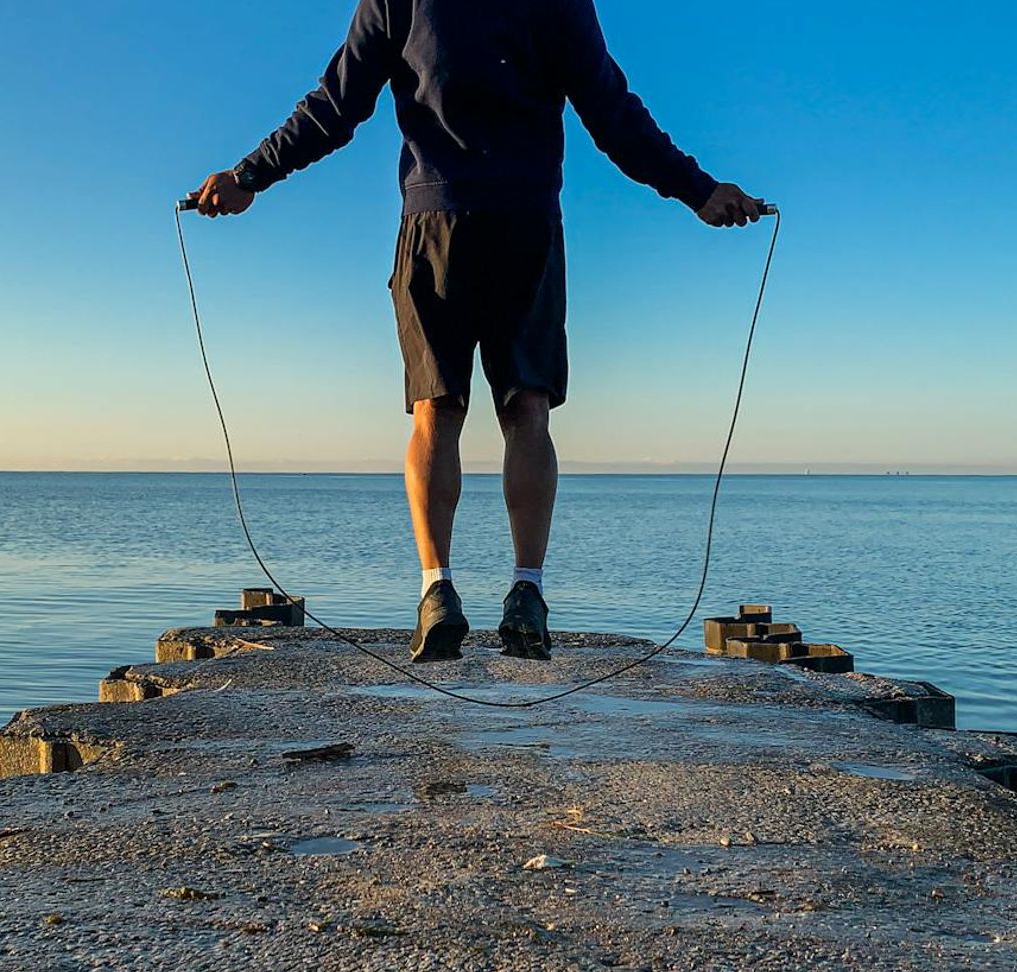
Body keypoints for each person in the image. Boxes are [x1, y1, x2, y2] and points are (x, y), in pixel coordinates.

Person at [190, 0, 764, 663]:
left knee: (436, 411)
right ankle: (527, 592)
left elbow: (336, 105)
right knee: (527, 409)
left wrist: (250, 175)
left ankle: (437, 591)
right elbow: (612, 112)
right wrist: (697, 190)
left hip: (436, 221)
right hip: (525, 223)